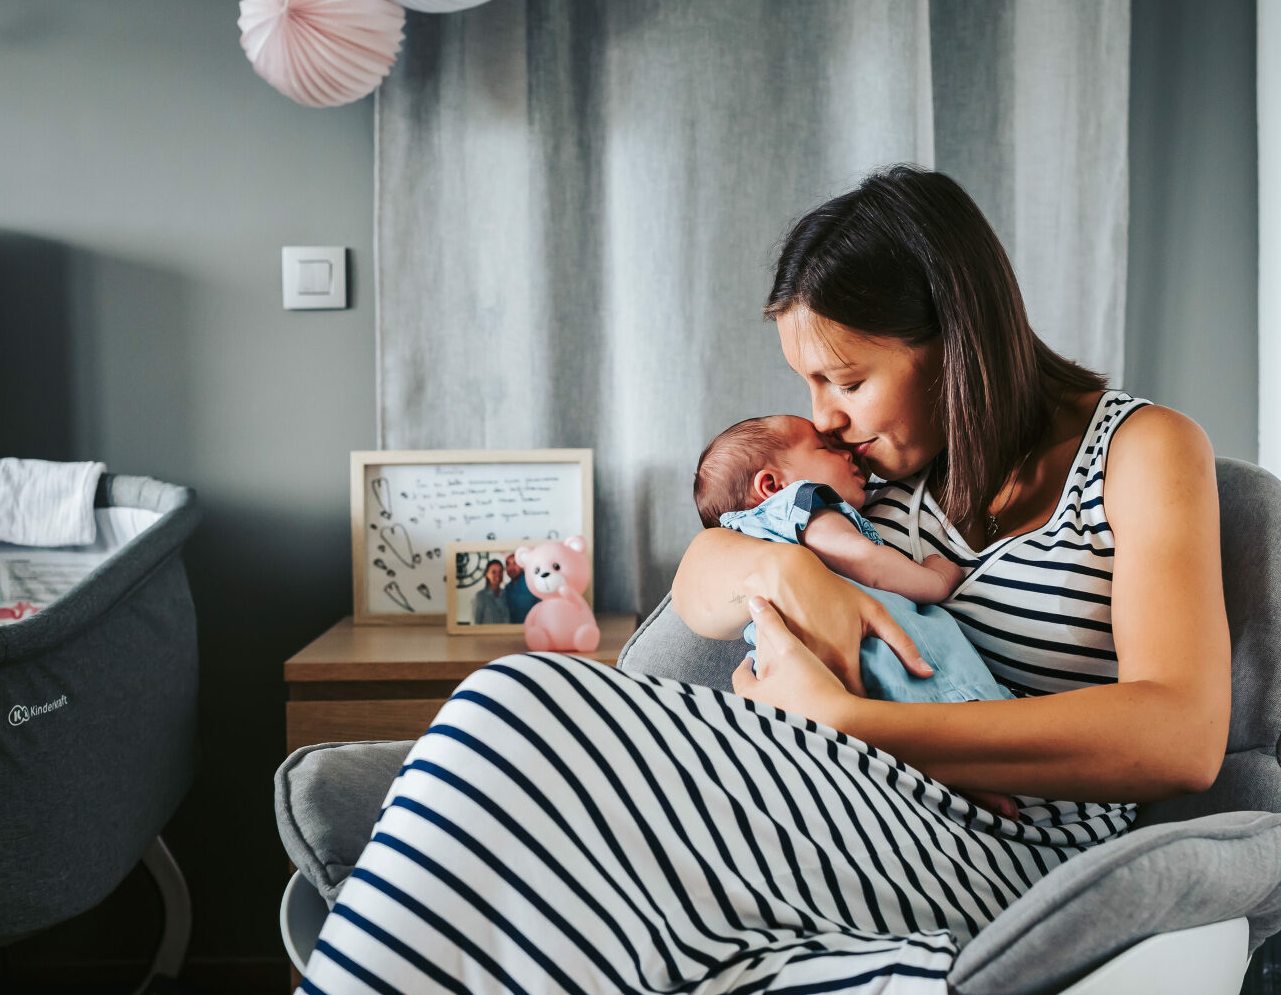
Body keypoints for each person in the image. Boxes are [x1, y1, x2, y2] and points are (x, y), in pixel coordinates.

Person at [301, 165, 1231, 995]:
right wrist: (785, 568)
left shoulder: (1141, 451)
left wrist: (860, 723)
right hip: (851, 794)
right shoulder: (882, 473)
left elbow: (1180, 736)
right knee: (506, 702)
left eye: (846, 381)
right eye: (810, 385)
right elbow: (704, 576)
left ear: (955, 339)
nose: (824, 419)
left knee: (511, 717)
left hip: (1013, 844)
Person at [694, 413, 1015, 703]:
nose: (847, 453)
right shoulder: (797, 506)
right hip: (901, 673)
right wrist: (936, 578)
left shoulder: (745, 541)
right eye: (824, 448)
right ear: (771, 485)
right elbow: (867, 563)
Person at [471, 558, 510, 624]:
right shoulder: (480, 596)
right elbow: (476, 623)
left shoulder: (506, 594)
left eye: (500, 571)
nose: (498, 575)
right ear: (487, 574)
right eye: (493, 572)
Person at [502, 553, 537, 625]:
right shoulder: (507, 588)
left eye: (515, 563)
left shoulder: (532, 584)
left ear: (522, 566)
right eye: (508, 564)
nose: (511, 568)